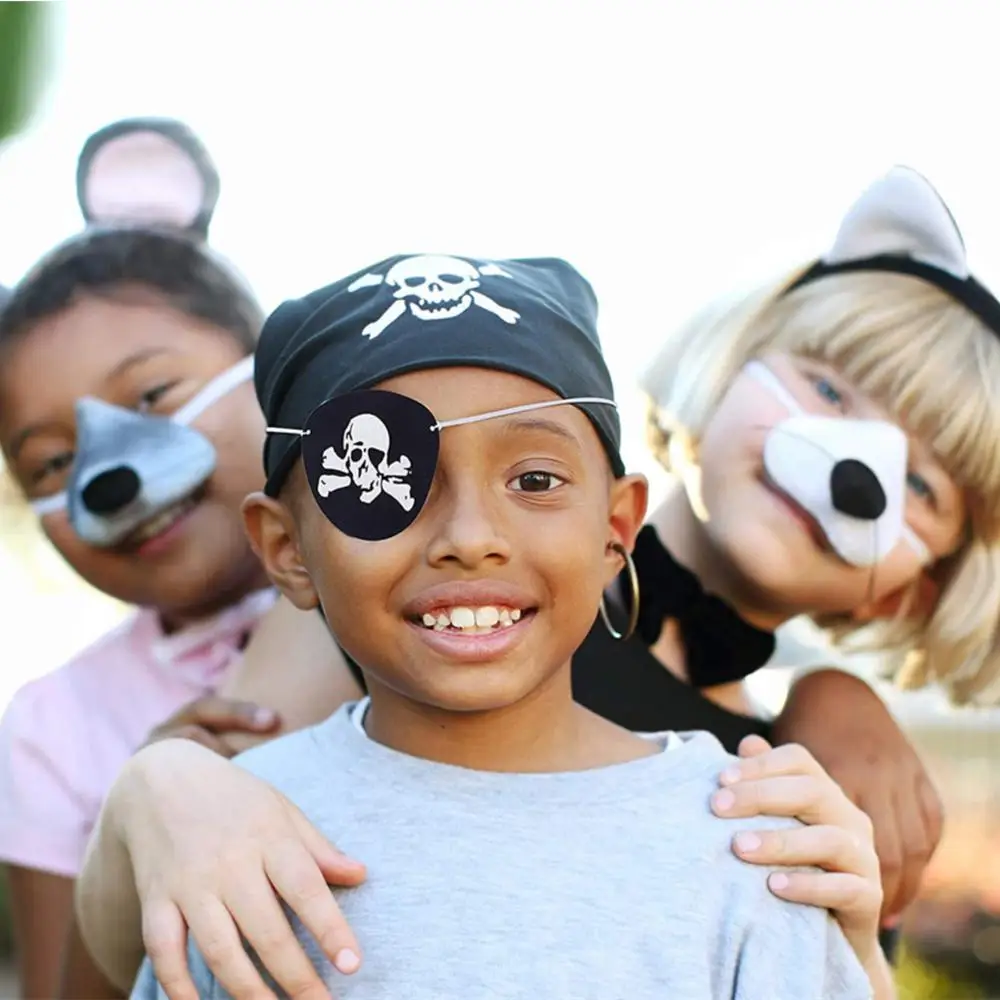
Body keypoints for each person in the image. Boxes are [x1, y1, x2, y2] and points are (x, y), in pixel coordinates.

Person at [77, 164, 990, 999]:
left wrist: (854, 938)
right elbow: (171, 905)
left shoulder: (785, 795)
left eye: (921, 484)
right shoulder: (382, 615)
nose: (854, 463)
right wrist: (156, 785)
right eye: (830, 390)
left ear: (921, 588)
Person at [0, 117, 278, 999]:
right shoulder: (56, 729)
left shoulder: (432, 597)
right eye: (49, 461)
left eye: (155, 394)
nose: (105, 473)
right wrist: (133, 827)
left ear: (274, 364)